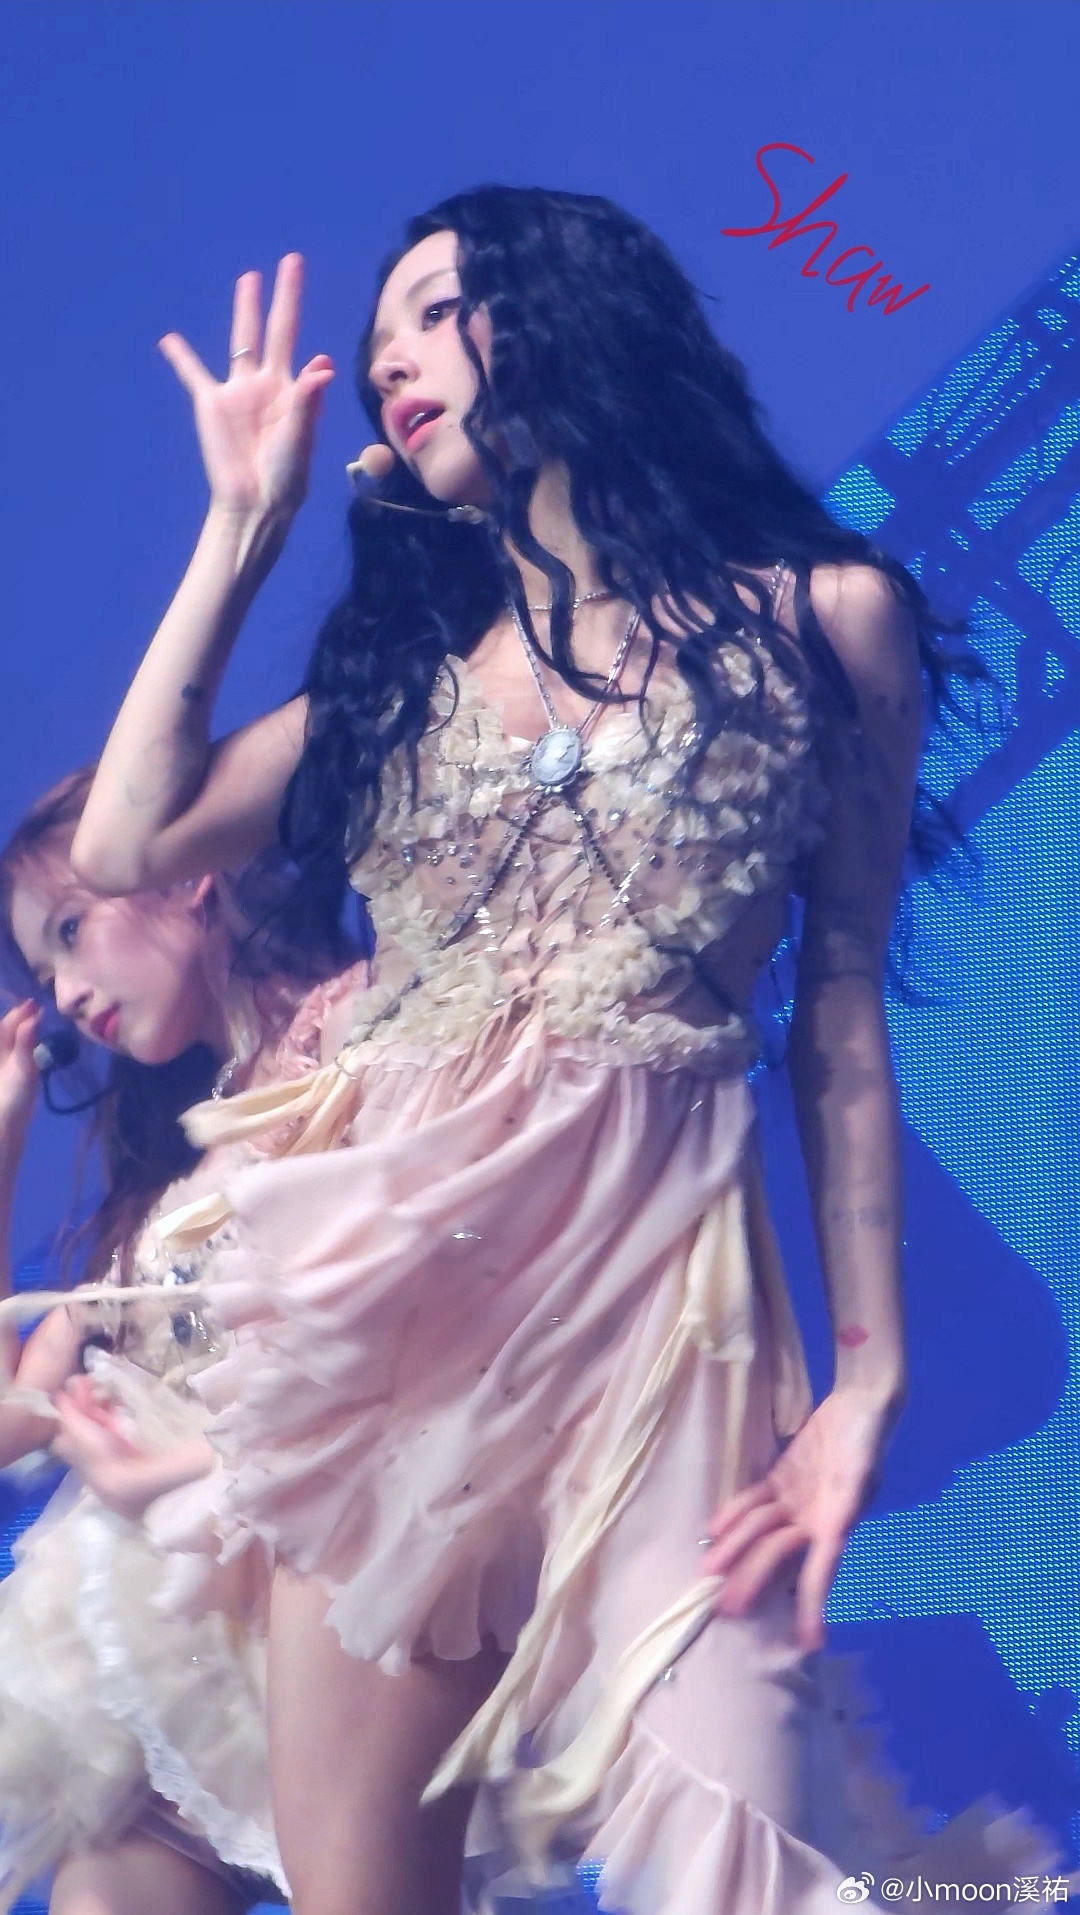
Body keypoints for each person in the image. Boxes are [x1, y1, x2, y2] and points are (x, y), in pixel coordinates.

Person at [70, 188, 1061, 1915]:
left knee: (752, 1851)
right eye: (378, 333)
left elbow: (838, 1009)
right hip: (388, 1357)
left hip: (660, 1344)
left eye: (434, 309)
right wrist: (241, 524)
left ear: (570, 316)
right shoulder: (406, 690)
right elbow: (125, 840)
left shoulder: (825, 616)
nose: (391, 357)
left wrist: (867, 1384)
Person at [0, 765, 364, 1915]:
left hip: (353, 1622)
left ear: (185, 872)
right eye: (42, 972)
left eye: (70, 931)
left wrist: (183, 1470)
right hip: (168, 1663)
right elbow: (10, 1421)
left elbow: (436, 1363)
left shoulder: (370, 1042)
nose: (64, 993)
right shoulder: (168, 1181)